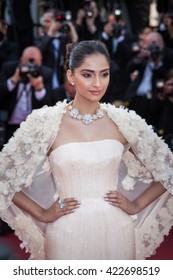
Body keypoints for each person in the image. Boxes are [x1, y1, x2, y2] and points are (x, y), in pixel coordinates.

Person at [0, 40, 173, 260]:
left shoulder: (123, 122)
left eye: (104, 74)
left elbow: (168, 169)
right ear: (71, 76)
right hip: (66, 233)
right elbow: (3, 176)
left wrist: (136, 204)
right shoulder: (46, 123)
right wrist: (42, 213)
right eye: (88, 74)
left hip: (118, 231)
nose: (98, 84)